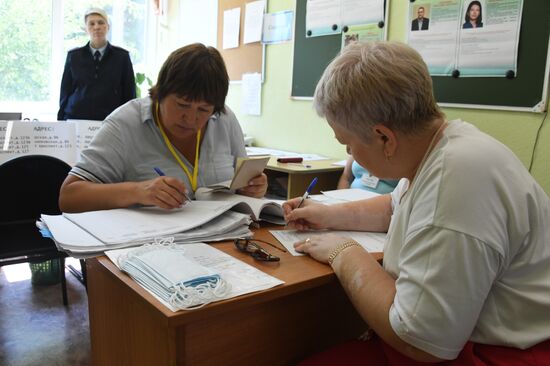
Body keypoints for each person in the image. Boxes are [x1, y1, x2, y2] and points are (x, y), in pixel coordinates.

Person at [284, 41, 550, 364]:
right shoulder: (444, 146)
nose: (349, 154)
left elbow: (419, 340)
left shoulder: (455, 179)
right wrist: (326, 215)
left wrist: (344, 252)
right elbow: (393, 208)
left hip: (493, 355)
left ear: (384, 138)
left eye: (348, 144)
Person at [59, 43, 267, 213]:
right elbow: (69, 197)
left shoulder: (225, 119)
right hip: (147, 248)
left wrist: (252, 188)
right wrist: (138, 191)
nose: (191, 118)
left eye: (203, 110)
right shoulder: (124, 124)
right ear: (160, 92)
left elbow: (243, 184)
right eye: (182, 104)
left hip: (222, 244)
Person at [58, 8, 136, 121]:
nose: (96, 27)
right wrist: (61, 120)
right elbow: (65, 91)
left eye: (101, 22)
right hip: (76, 118)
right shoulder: (74, 56)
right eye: (91, 24)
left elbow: (129, 93)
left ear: (107, 27)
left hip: (111, 120)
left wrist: (129, 121)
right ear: (86, 29)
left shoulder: (122, 57)